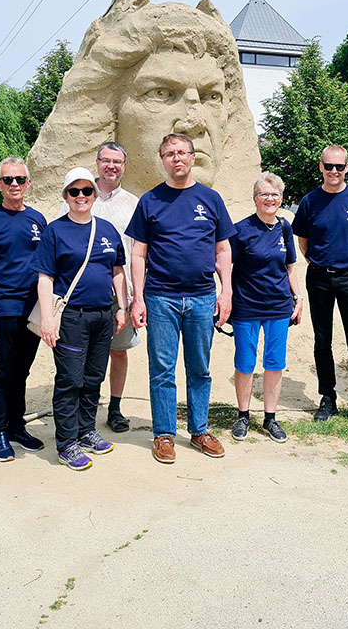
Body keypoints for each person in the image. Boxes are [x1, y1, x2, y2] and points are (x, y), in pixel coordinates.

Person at [28, 0, 260, 207]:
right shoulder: (75, 217)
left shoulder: (252, 221)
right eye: (161, 93)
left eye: (211, 97)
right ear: (109, 112)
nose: (194, 123)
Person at [127, 133, 233, 464]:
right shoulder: (150, 201)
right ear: (162, 160)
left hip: (202, 296)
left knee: (200, 367)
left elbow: (223, 249)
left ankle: (199, 430)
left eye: (182, 152)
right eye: (170, 153)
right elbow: (138, 254)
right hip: (160, 298)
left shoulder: (211, 199)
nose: (177, 158)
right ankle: (164, 434)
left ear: (192, 157)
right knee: (162, 368)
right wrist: (138, 298)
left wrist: (226, 291)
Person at [32, 168, 128, 471]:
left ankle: (86, 431)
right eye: (74, 191)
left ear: (95, 194)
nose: (81, 196)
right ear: (66, 196)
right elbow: (45, 277)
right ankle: (66, 443)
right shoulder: (55, 231)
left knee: (93, 378)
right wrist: (48, 319)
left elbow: (117, 271)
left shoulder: (107, 230)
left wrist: (122, 307)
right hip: (72, 317)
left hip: (103, 315)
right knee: (70, 380)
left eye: (87, 190)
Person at [292, 145, 348, 429]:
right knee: (322, 341)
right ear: (321, 167)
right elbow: (303, 241)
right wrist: (320, 262)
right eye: (328, 166)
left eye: (339, 167)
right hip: (319, 277)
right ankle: (327, 397)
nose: (333, 171)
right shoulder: (310, 201)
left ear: (346, 168)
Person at [58, 142, 140, 433]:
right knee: (79, 358)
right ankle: (78, 412)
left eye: (117, 161)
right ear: (97, 162)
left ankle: (114, 408)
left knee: (118, 351)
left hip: (119, 295)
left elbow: (138, 252)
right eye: (106, 160)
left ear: (124, 166)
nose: (111, 166)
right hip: (79, 297)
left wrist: (134, 298)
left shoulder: (133, 204)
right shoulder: (78, 195)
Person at [0, 157, 48, 462]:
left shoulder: (38, 219)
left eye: (19, 179)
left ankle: (17, 426)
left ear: (28, 183)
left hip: (33, 308)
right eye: (8, 179)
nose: (14, 184)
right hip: (3, 307)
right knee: (4, 369)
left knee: (23, 370)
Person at [229, 172, 303, 443]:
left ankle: (270, 418)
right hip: (246, 306)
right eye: (264, 194)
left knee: (275, 363)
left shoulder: (285, 227)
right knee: (245, 362)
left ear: (281, 199)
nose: (269, 199)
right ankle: (243, 416)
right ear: (255, 199)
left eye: (274, 194)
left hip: (278, 307)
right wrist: (225, 296)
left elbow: (290, 267)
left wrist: (298, 298)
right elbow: (224, 264)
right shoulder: (240, 230)